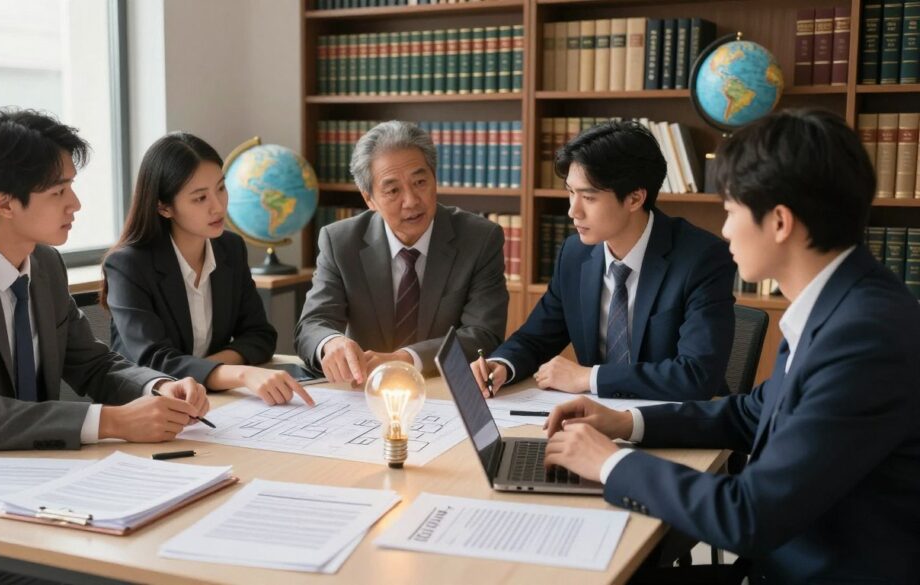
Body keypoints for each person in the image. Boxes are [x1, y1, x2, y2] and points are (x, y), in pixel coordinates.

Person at [542, 109, 920, 583]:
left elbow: (748, 515)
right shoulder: (840, 303)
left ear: (779, 222)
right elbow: (751, 413)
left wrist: (610, 462)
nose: (723, 230)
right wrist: (625, 422)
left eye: (731, 210)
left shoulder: (865, 337)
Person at [0, 108, 209, 585]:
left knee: (173, 540)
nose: (76, 204)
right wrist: (114, 421)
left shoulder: (43, 264)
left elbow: (93, 363)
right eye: (59, 191)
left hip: (32, 485)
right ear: (4, 203)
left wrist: (160, 386)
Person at [472, 120, 735, 401]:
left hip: (676, 422)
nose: (573, 211)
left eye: (588, 197)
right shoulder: (575, 254)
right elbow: (535, 338)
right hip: (597, 418)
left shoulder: (702, 259)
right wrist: (502, 365)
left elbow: (697, 375)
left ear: (635, 198)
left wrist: (588, 377)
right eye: (570, 193)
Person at [102, 132, 313, 406]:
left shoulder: (230, 248)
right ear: (164, 207)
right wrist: (237, 373)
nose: (218, 206)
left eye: (221, 188)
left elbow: (260, 335)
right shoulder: (128, 264)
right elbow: (154, 361)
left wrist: (207, 370)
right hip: (142, 407)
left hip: (210, 400)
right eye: (200, 198)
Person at [295, 120, 508, 383]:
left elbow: (484, 334)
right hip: (364, 392)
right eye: (393, 190)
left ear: (435, 179)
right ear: (369, 199)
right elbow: (313, 324)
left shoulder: (479, 239)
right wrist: (331, 343)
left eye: (420, 182)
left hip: (443, 388)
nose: (411, 201)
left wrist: (407, 359)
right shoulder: (341, 242)